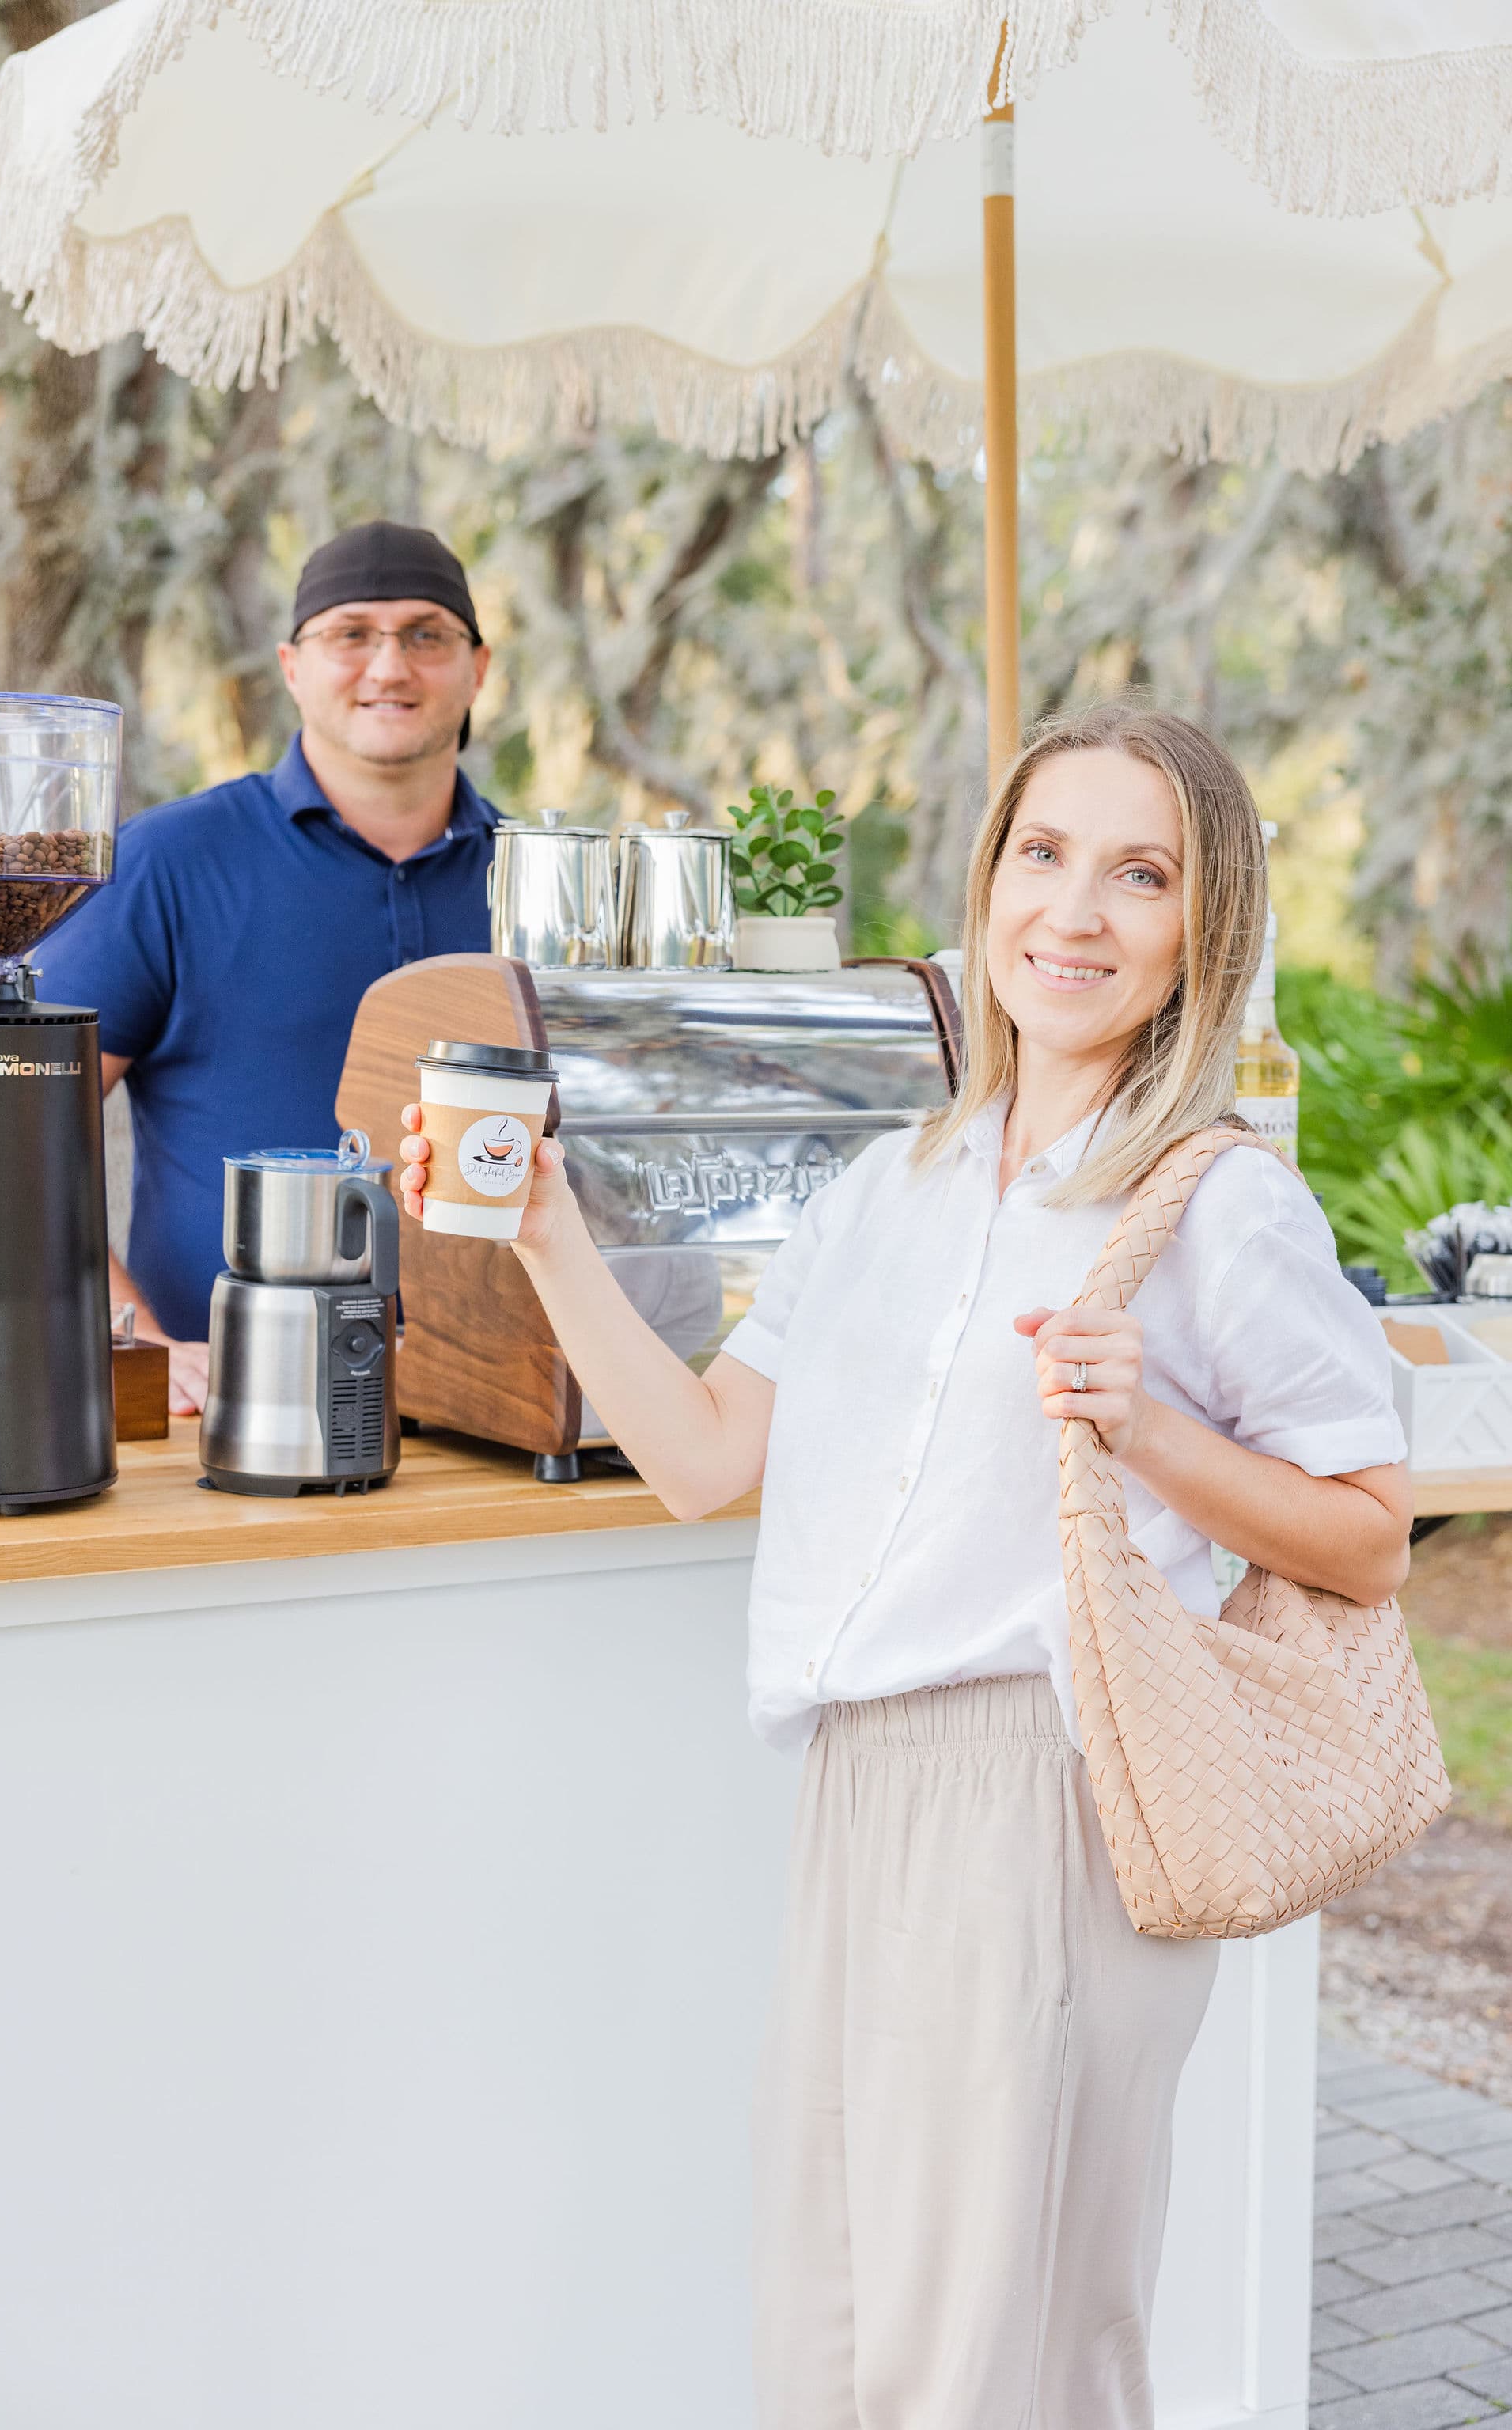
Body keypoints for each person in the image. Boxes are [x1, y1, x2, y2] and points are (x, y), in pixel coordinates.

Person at [400, 699, 1412, 2428]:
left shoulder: (1214, 1199)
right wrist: (548, 1233)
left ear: (1202, 929)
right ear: (985, 883)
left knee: (1000, 2356)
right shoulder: (889, 1183)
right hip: (860, 1787)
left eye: (1138, 874)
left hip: (1057, 1787)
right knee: (845, 2326)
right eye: (1042, 855)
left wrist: (1150, 1426)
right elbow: (706, 1460)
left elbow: (1371, 1532)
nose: (1073, 912)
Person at [38, 521, 498, 1413]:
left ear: (478, 667)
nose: (389, 667)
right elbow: (10, 1137)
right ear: (292, 666)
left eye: (425, 635)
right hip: (233, 1418)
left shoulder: (541, 882)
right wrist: (133, 1340)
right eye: (351, 634)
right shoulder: (168, 862)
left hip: (490, 1411)